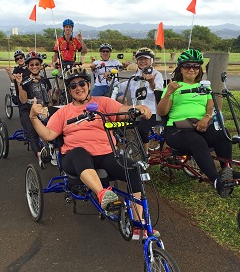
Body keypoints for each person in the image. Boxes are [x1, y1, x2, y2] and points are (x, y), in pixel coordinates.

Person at [29, 67, 159, 239]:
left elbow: (122, 111)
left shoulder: (103, 102)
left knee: (135, 169)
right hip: (74, 157)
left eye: (82, 83)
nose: (78, 87)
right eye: (73, 85)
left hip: (106, 154)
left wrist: (139, 108)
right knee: (80, 152)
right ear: (69, 90)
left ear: (89, 85)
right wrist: (33, 117)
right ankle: (103, 194)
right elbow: (47, 135)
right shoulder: (63, 112)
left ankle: (137, 224)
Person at [156, 49, 240, 198]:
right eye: (187, 66)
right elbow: (162, 112)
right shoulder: (173, 87)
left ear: (199, 69)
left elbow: (210, 105)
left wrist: (206, 118)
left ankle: (226, 171)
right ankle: (217, 182)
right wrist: (168, 92)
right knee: (197, 141)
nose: (191, 69)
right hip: (177, 129)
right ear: (180, 69)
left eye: (195, 66)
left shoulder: (204, 87)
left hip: (202, 124)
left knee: (223, 134)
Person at [119, 47, 164, 152]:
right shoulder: (135, 76)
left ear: (151, 61)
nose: (142, 61)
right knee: (121, 123)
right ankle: (125, 148)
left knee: (141, 130)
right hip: (136, 110)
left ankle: (145, 154)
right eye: (140, 59)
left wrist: (151, 82)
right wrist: (111, 82)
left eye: (145, 59)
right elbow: (124, 86)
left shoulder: (157, 75)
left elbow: (157, 90)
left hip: (152, 111)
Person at [12, 51, 52, 166]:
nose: (34, 67)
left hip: (43, 108)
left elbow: (48, 96)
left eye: (37, 64)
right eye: (32, 65)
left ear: (40, 65)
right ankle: (39, 154)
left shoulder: (45, 80)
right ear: (28, 66)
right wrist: (19, 84)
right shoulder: (23, 81)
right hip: (27, 110)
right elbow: (23, 100)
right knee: (32, 131)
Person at [52, 19, 88, 102]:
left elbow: (84, 51)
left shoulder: (75, 41)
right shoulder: (59, 40)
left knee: (74, 87)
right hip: (62, 65)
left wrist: (81, 40)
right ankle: (58, 104)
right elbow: (55, 54)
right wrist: (54, 63)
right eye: (66, 27)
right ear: (64, 28)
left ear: (72, 28)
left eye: (70, 27)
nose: (68, 29)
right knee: (58, 90)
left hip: (72, 66)